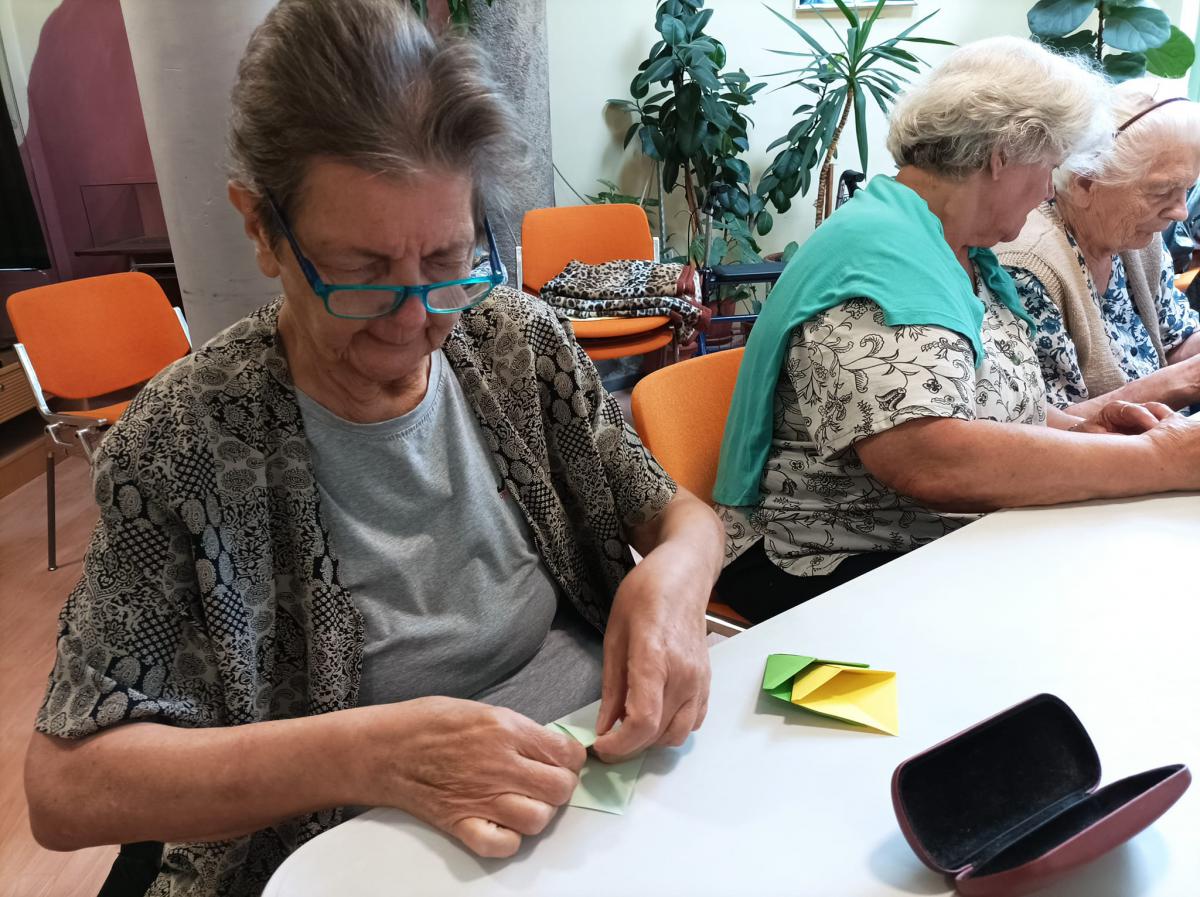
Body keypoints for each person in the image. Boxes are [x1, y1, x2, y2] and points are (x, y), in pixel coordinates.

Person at [23, 2, 724, 894]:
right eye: (361, 273)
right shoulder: (184, 439)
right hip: (352, 850)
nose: (414, 320)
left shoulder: (515, 344)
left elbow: (680, 517)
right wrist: (371, 754)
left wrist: (673, 581)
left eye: (447, 261)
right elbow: (65, 787)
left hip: (600, 801)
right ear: (262, 228)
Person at [712, 38, 1200, 625]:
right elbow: (925, 456)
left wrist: (1083, 431)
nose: (1050, 190)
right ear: (1002, 155)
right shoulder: (882, 258)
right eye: (1048, 167)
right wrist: (1156, 459)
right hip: (826, 558)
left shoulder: (954, 245)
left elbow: (973, 398)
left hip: (935, 542)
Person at [996, 80, 1200, 415]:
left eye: (1187, 189)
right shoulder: (1025, 268)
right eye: (1163, 191)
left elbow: (1175, 341)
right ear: (1085, 183)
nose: (1180, 211)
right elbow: (1048, 428)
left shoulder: (1137, 235)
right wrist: (1183, 382)